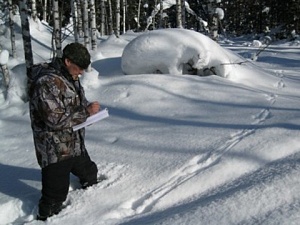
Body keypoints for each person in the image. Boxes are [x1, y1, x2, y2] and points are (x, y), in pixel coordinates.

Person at [27, 43, 100, 221]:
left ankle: (95, 193)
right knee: (54, 196)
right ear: (67, 61)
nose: (81, 72)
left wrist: (89, 110)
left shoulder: (70, 76)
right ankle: (45, 218)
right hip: (55, 149)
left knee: (89, 172)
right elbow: (54, 119)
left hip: (74, 142)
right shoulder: (46, 82)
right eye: (79, 68)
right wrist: (86, 113)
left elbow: (75, 104)